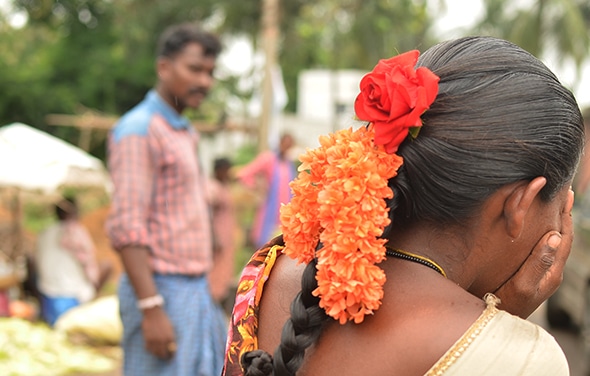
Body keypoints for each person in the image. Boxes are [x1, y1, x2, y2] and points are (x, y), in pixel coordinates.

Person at [222, 36, 584, 375]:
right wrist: (505, 339)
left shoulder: (267, 272)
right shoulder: (526, 359)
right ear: (520, 204)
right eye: (560, 210)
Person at [106, 23, 226, 376]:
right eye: (194, 69)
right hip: (161, 290)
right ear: (164, 67)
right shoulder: (139, 130)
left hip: (194, 288)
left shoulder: (182, 129)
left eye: (210, 72)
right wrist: (151, 308)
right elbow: (127, 227)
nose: (204, 81)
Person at [36, 196, 111, 326]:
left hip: (47, 292)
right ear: (74, 212)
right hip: (72, 294)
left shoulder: (45, 233)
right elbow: (88, 263)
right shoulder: (75, 232)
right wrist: (94, 285)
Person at [237, 133, 297, 249]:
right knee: (263, 248)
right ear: (280, 142)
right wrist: (258, 188)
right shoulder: (268, 159)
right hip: (269, 211)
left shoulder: (289, 164)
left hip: (284, 215)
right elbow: (244, 174)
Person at [207, 157, 238, 312]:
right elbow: (208, 213)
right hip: (217, 238)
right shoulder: (212, 187)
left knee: (224, 271)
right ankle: (213, 304)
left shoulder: (224, 186)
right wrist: (213, 237)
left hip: (225, 238)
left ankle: (218, 304)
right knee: (215, 273)